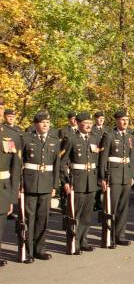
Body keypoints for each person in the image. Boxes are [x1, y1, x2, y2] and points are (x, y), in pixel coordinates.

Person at [21, 112, 60, 262]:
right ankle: (28, 251)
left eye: (47, 123)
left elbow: (56, 165)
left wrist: (55, 185)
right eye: (42, 122)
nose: (45, 125)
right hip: (30, 182)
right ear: (36, 124)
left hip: (46, 183)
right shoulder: (26, 138)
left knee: (43, 219)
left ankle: (40, 249)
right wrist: (20, 183)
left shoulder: (54, 140)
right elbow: (19, 163)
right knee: (29, 218)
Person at [60, 112, 100, 254]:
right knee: (74, 213)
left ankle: (83, 240)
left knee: (87, 214)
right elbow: (62, 162)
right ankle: (73, 243)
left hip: (91, 180)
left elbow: (98, 161)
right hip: (77, 181)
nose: (89, 125)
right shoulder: (70, 139)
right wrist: (64, 181)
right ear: (78, 123)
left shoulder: (95, 138)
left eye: (90, 123)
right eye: (85, 123)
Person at [99, 110, 134, 246]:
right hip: (113, 176)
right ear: (116, 121)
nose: (125, 122)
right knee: (110, 208)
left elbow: (132, 158)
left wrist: (132, 175)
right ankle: (108, 236)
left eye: (127, 119)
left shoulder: (130, 136)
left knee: (123, 208)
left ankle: (120, 235)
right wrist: (103, 177)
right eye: (122, 119)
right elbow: (103, 159)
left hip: (126, 175)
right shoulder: (109, 136)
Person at [0, 123, 22, 267]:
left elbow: (15, 168)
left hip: (3, 186)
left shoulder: (11, 135)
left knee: (0, 222)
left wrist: (13, 196)